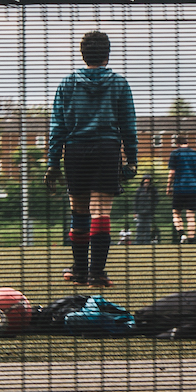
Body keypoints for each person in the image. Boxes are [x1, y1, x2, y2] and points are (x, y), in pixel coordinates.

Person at [45, 30, 138, 289]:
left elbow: (57, 127)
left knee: (79, 212)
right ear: (107, 54)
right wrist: (131, 159)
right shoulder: (119, 84)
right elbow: (128, 125)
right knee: (100, 213)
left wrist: (53, 163)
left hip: (75, 150)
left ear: (82, 53)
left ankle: (78, 270)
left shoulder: (67, 83)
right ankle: (96, 274)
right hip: (107, 149)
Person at [166, 135, 196, 244]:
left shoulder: (175, 154)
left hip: (179, 187)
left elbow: (172, 172)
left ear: (177, 144)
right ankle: (192, 239)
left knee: (176, 213)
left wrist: (168, 187)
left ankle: (182, 234)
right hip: (193, 188)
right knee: (190, 215)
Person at [133, 176, 158, 245]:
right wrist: (135, 211)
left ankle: (147, 242)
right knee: (139, 227)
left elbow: (156, 200)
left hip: (149, 212)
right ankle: (138, 241)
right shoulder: (139, 190)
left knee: (147, 227)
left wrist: (152, 208)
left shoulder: (153, 190)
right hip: (140, 212)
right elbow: (135, 201)